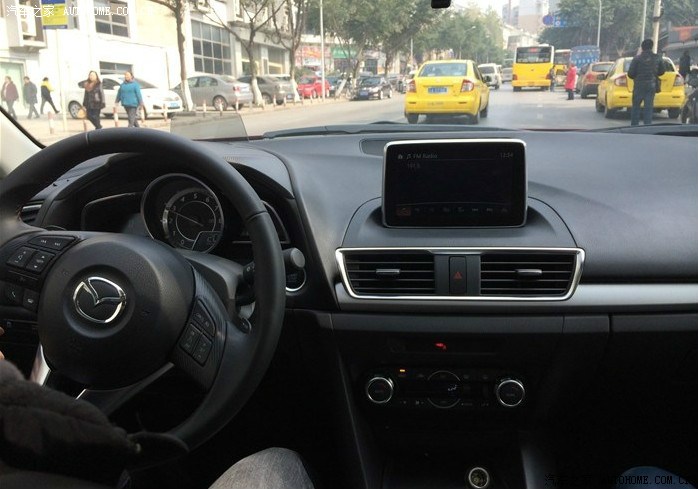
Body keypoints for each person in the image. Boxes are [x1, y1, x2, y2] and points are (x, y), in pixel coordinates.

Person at [627, 38, 665, 126]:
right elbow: (662, 71)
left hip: (639, 86)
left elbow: (630, 74)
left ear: (642, 47)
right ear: (652, 47)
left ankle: (634, 126)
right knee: (648, 107)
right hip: (651, 85)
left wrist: (638, 76)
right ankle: (647, 127)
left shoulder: (636, 59)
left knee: (636, 107)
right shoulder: (657, 58)